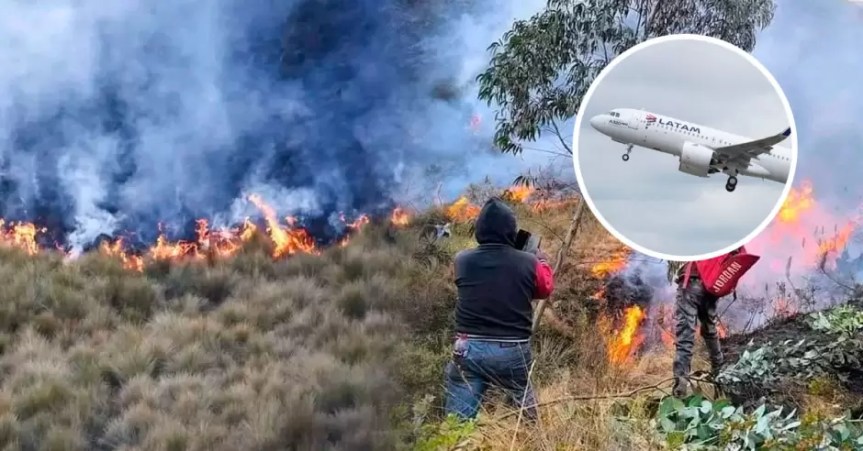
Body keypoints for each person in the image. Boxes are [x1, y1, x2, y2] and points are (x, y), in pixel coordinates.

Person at [444, 197, 555, 420]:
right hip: (511, 349)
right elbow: (544, 290)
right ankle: (530, 439)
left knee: (456, 424)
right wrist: (540, 260)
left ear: (479, 230)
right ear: (511, 231)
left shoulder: (462, 260)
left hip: (468, 348)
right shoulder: (528, 262)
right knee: (525, 418)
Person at [667, 258, 726, 398]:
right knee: (710, 331)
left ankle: (680, 390)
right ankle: (722, 376)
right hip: (710, 285)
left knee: (685, 338)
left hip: (691, 282)